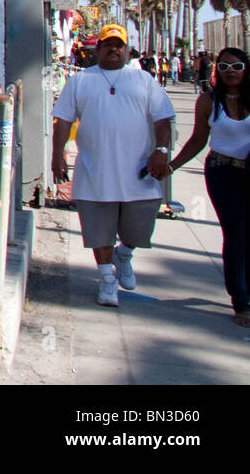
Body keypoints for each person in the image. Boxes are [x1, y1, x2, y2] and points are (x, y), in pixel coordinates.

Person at [51, 23, 176, 306]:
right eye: (108, 44)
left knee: (139, 228)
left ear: (127, 50)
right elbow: (64, 120)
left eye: (119, 45)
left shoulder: (143, 79)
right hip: (95, 171)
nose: (114, 49)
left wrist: (161, 150)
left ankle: (124, 254)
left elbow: (162, 118)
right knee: (99, 229)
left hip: (139, 172)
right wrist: (57, 155)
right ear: (99, 48)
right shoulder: (81, 80)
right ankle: (107, 280)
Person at [166, 47, 250, 326]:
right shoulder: (208, 101)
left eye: (236, 67)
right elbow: (197, 141)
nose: (230, 73)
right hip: (221, 171)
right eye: (224, 67)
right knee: (236, 232)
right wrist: (171, 166)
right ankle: (241, 300)